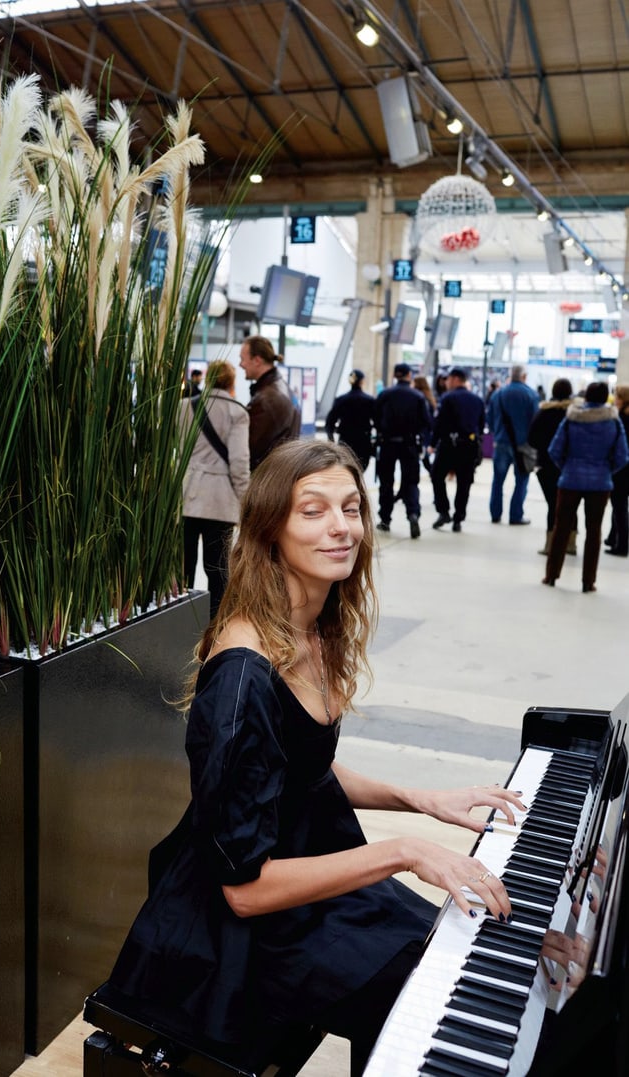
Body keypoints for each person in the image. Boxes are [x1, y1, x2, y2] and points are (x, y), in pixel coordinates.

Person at [104, 439, 521, 1077]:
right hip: (239, 932)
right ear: (270, 530)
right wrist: (404, 850)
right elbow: (244, 891)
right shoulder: (242, 676)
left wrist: (421, 799)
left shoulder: (316, 625)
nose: (341, 527)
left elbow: (297, 770)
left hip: (306, 871)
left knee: (461, 944)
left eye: (351, 508)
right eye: (313, 510)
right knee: (426, 987)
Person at [543, 381, 629, 593]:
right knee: (594, 531)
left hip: (570, 480)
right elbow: (622, 456)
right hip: (600, 484)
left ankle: (552, 575)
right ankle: (588, 581)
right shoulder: (614, 422)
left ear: (587, 397)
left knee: (561, 528)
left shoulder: (572, 418)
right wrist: (606, 470)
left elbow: (554, 449)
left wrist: (568, 467)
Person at [180, 360, 250, 617]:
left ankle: (182, 619)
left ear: (208, 380)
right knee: (217, 568)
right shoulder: (237, 412)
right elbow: (239, 462)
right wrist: (245, 502)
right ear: (231, 383)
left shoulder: (184, 407)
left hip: (187, 495)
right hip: (220, 501)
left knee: (184, 567)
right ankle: (214, 622)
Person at [374, 363, 432, 538]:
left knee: (386, 482)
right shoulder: (418, 397)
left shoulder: (384, 394)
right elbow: (426, 422)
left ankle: (385, 519)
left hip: (387, 443)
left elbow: (375, 417)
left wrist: (383, 431)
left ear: (395, 375)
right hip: (409, 444)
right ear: (409, 375)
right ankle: (413, 514)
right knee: (410, 481)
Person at [430, 367, 485, 531]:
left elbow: (439, 424)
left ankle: (443, 510)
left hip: (449, 445)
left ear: (455, 379)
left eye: (448, 379)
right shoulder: (477, 400)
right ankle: (458, 518)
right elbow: (481, 425)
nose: (446, 383)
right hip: (469, 445)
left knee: (437, 476)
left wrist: (433, 443)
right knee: (464, 482)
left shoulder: (448, 398)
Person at [527, 377, 577, 556]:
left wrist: (545, 447)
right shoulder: (574, 413)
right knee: (571, 504)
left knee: (553, 504)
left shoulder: (544, 413)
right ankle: (571, 543)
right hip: (570, 465)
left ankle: (551, 544)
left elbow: (531, 438)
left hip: (546, 465)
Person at [486, 364, 540, 525]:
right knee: (521, 480)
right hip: (522, 446)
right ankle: (515, 515)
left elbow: (489, 418)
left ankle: (495, 513)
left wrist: (498, 432)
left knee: (498, 480)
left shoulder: (498, 394)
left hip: (501, 442)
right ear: (524, 376)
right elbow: (535, 421)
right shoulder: (531, 395)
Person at [239, 335, 301, 470]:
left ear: (257, 360)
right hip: (281, 473)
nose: (240, 365)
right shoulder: (282, 388)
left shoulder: (266, 399)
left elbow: (247, 449)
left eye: (243, 359)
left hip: (267, 479)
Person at [324, 368, 375, 471]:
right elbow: (377, 421)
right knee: (361, 468)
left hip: (345, 439)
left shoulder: (341, 399)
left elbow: (330, 421)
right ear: (362, 381)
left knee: (347, 468)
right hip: (363, 439)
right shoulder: (369, 400)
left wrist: (331, 440)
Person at [605, 384, 629, 558]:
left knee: (619, 506)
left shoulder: (619, 419)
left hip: (621, 469)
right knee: (620, 506)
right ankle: (613, 538)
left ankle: (621, 545)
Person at [413, 373, 437, 474]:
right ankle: (433, 473)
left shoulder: (417, 398)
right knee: (424, 457)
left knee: (421, 457)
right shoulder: (429, 398)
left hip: (419, 432)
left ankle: (433, 473)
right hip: (426, 432)